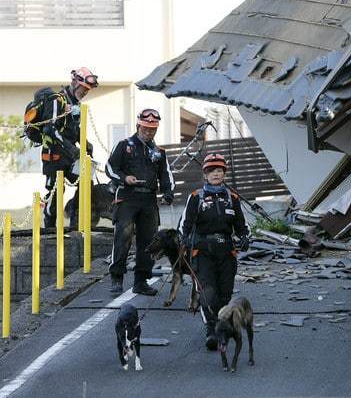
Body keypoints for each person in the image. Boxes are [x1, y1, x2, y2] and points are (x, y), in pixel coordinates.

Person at [178, 153, 250, 351]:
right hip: (203, 254)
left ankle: (222, 328)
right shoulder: (195, 197)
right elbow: (183, 226)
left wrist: (244, 238)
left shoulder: (232, 198)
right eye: (211, 171)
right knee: (208, 295)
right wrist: (186, 242)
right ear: (205, 174)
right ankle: (211, 331)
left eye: (219, 170)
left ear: (224, 174)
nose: (216, 174)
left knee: (225, 296)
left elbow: (242, 226)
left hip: (227, 253)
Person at [106, 109, 174, 295]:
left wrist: (168, 192)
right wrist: (124, 178)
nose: (148, 131)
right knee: (123, 238)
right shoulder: (123, 145)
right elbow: (110, 168)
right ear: (138, 126)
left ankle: (141, 281)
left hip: (149, 200)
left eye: (152, 129)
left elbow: (165, 175)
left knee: (149, 242)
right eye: (145, 128)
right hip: (127, 198)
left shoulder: (159, 152)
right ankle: (117, 278)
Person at [32, 67, 98, 229]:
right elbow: (50, 129)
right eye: (84, 88)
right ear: (75, 82)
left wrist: (86, 144)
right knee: (56, 192)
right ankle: (49, 229)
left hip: (69, 157)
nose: (85, 92)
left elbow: (74, 130)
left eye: (88, 90)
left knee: (85, 181)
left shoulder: (77, 104)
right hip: (53, 157)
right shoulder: (57, 100)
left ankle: (75, 222)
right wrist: (73, 149)